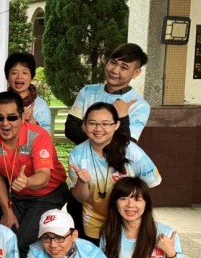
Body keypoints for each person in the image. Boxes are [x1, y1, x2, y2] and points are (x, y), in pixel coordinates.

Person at [0, 92, 68, 258]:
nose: (5, 123)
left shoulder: (38, 136)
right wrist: (7, 211)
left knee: (22, 242)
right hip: (17, 196)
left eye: (12, 117)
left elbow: (44, 176)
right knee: (5, 239)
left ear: (22, 117)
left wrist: (27, 181)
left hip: (48, 194)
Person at [68, 103, 161, 244]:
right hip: (93, 221)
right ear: (84, 125)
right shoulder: (77, 154)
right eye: (92, 123)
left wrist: (131, 203)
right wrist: (82, 182)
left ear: (116, 125)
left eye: (105, 124)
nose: (98, 129)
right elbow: (81, 198)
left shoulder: (132, 151)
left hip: (126, 219)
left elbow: (151, 182)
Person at [66, 43, 150, 144]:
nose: (115, 70)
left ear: (136, 72)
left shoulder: (140, 106)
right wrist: (103, 142)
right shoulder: (87, 91)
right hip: (83, 154)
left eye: (124, 67)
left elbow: (127, 144)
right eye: (113, 62)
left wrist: (123, 117)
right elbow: (71, 129)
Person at [5, 52, 51, 131]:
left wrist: (32, 122)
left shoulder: (41, 106)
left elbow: (46, 136)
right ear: (7, 77)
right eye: (14, 73)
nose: (19, 77)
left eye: (24, 72)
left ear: (31, 76)